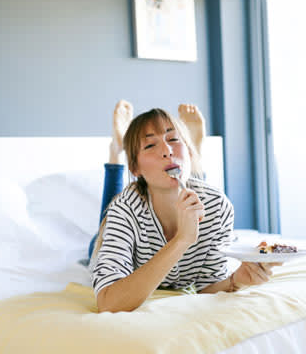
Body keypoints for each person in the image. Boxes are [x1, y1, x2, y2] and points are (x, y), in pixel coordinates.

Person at [90, 101, 279, 313]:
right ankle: (116, 152)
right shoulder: (125, 210)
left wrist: (236, 280)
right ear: (135, 168)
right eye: (150, 145)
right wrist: (183, 240)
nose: (167, 151)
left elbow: (206, 287)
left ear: (187, 152)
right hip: (112, 236)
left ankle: (193, 151)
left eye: (173, 139)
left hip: (194, 192)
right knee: (100, 235)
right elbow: (108, 302)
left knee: (197, 192)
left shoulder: (218, 207)